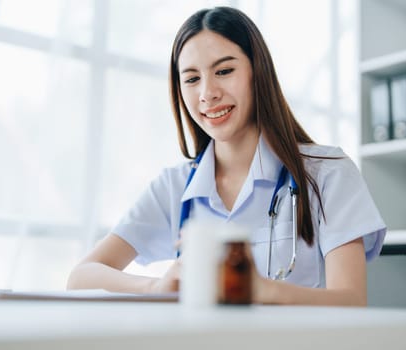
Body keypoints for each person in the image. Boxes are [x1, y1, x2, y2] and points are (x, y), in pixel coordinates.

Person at [67, 6, 386, 305]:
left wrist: (262, 289)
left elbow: (351, 300)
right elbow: (81, 277)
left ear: (257, 72)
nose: (207, 93)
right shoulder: (174, 186)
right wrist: (155, 287)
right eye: (191, 79)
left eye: (224, 71)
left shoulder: (327, 173)